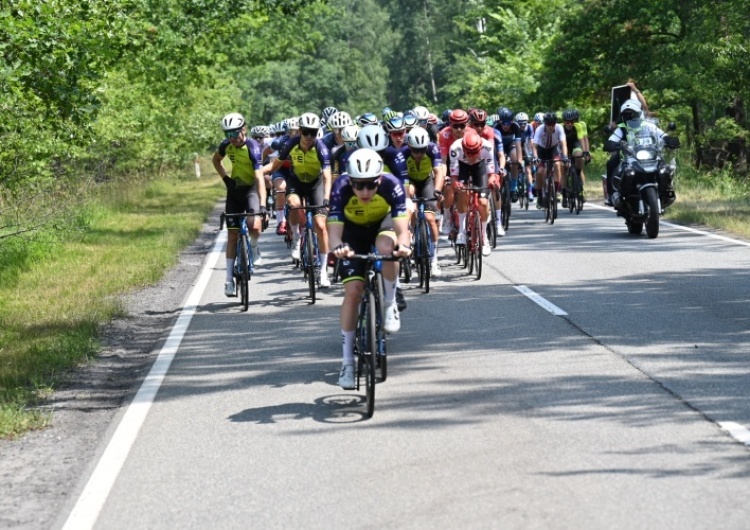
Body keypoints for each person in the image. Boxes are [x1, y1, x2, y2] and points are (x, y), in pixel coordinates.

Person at [328, 148, 411, 389]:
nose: (364, 192)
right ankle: (347, 364)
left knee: (388, 248)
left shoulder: (392, 184)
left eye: (370, 186)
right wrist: (339, 247)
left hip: (381, 225)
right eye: (358, 186)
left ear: (379, 180)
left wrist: (404, 245)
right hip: (352, 232)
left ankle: (389, 304)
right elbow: (333, 235)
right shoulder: (340, 187)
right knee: (353, 291)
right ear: (350, 181)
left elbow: (402, 230)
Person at [262, 112, 334, 287]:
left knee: (321, 226)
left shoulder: (321, 148)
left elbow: (327, 177)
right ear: (300, 130)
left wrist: (326, 198)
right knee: (293, 204)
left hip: (315, 186)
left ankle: (323, 272)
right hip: (296, 183)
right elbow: (275, 165)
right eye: (306, 132)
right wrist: (259, 172)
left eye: (314, 132)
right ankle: (295, 237)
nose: (309, 136)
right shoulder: (290, 144)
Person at [212, 112, 267, 297]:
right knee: (233, 234)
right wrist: (225, 179)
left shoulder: (253, 147)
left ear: (244, 129)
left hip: (251, 188)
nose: (232, 138)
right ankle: (228, 280)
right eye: (228, 134)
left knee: (255, 224)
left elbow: (259, 179)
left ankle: (253, 246)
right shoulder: (226, 145)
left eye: (235, 133)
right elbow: (216, 160)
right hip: (235, 190)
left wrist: (264, 206)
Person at [404, 126, 445, 276]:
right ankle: (412, 237)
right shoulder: (403, 152)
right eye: (415, 150)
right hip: (411, 181)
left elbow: (438, 172)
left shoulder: (433, 149)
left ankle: (434, 260)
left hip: (427, 181)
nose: (419, 154)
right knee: (410, 198)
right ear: (409, 147)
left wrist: (438, 191)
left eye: (422, 150)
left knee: (430, 218)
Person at [449, 129, 498, 257]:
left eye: (474, 152)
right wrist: (456, 184)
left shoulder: (487, 147)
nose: (471, 156)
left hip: (480, 167)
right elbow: (454, 176)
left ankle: (484, 237)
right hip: (462, 167)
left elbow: (491, 173)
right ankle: (461, 231)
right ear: (463, 148)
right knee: (462, 192)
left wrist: (492, 181)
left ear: (480, 148)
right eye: (468, 153)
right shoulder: (455, 148)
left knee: (483, 202)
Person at [605, 81, 649, 204]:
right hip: (627, 151)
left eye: (633, 114)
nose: (630, 116)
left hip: (644, 151)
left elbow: (645, 106)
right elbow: (613, 137)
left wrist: (635, 90)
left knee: (662, 164)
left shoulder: (646, 123)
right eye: (628, 114)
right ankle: (611, 194)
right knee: (611, 163)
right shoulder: (622, 123)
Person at [531, 112, 568, 209]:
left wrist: (565, 156)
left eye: (552, 124)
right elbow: (534, 146)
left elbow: (564, 144)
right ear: (545, 124)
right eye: (548, 125)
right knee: (540, 172)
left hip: (553, 149)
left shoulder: (559, 128)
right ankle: (539, 196)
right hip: (541, 151)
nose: (550, 127)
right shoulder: (539, 129)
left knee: (558, 164)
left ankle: (555, 191)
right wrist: (535, 157)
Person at [561, 108, 590, 206]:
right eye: (567, 122)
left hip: (575, 145)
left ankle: (580, 186)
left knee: (579, 156)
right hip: (564, 146)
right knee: (563, 167)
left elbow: (582, 140)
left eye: (571, 122)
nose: (569, 124)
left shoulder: (579, 126)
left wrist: (586, 152)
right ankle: (564, 194)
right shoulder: (560, 128)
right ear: (564, 121)